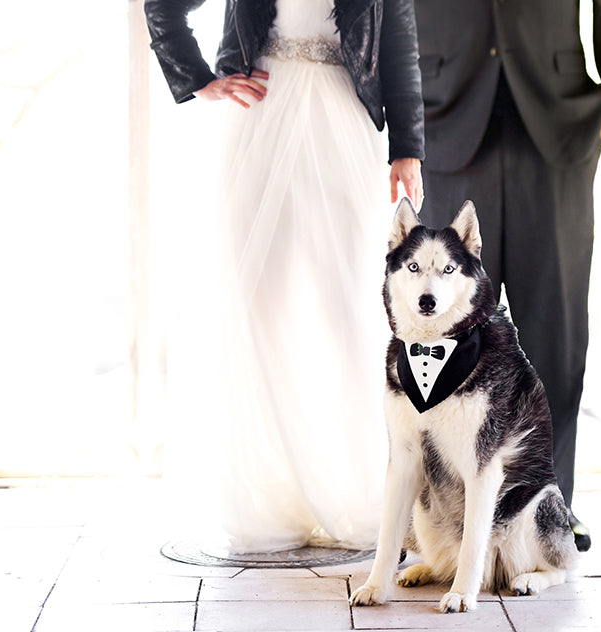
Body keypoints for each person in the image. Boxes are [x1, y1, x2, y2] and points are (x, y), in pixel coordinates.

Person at [143, 0, 424, 552]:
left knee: (351, 316)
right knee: (258, 314)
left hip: (345, 127)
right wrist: (198, 79)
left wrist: (408, 148)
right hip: (259, 121)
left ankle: (361, 496)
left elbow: (399, 42)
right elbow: (163, 6)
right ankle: (266, 503)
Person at [413, 0, 601, 552]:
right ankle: (449, 521)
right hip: (447, 120)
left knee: (555, 335)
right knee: (446, 338)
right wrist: (396, 112)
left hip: (557, 128)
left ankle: (550, 511)